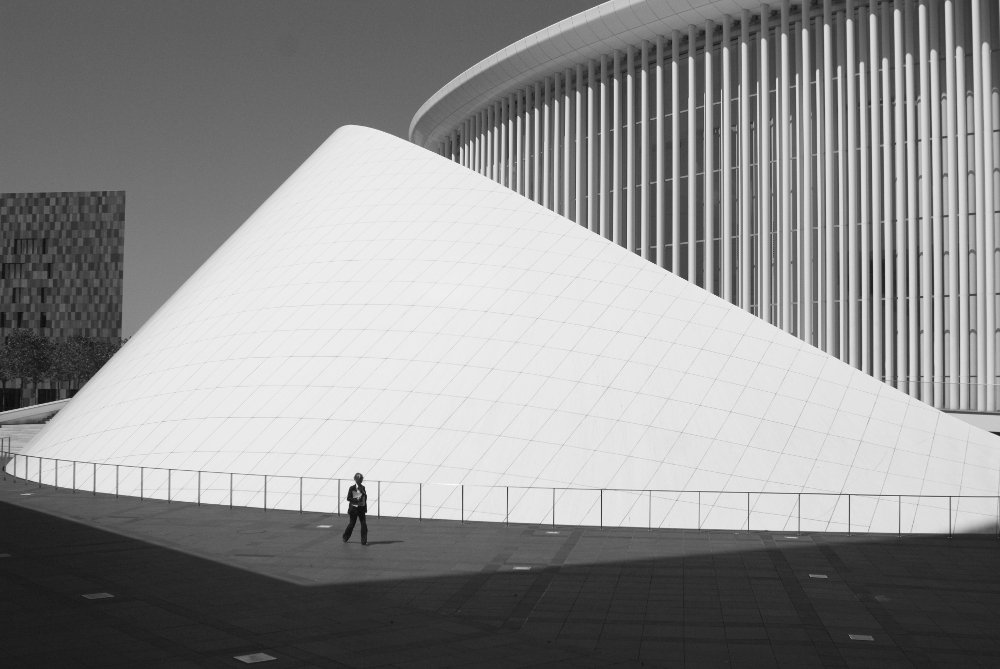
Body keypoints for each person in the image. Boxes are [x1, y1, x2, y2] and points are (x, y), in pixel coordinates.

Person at [342, 472, 368, 545]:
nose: (360, 481)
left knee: (364, 524)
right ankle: (345, 536)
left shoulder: (363, 488)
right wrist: (356, 499)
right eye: (359, 479)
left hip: (361, 509)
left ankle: (364, 540)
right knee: (352, 524)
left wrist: (363, 500)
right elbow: (348, 498)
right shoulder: (352, 488)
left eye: (361, 479)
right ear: (356, 480)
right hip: (353, 509)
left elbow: (364, 497)